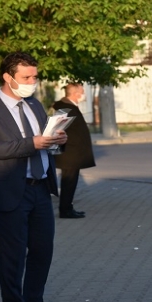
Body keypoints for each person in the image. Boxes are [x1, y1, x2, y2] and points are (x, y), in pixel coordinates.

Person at [0, 52, 67, 302]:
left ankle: (34, 300)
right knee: (13, 253)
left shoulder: (34, 104)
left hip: (40, 187)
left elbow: (44, 143)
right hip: (8, 191)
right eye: (26, 77)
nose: (32, 82)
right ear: (8, 77)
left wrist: (58, 140)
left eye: (35, 76)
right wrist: (31, 143)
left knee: (42, 249)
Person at [51, 83, 96, 219]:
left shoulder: (69, 107)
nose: (84, 95)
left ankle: (68, 208)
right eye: (82, 91)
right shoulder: (66, 108)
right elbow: (55, 130)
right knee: (68, 183)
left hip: (72, 153)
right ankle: (65, 211)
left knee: (70, 182)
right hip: (69, 154)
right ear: (75, 93)